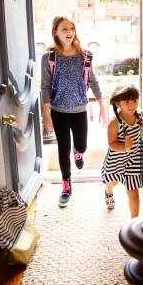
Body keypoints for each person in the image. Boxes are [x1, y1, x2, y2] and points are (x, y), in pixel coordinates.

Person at [41, 16, 108, 208]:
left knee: (81, 145)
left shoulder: (84, 56)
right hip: (58, 111)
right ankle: (66, 184)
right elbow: (45, 87)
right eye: (64, 29)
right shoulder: (49, 58)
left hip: (79, 109)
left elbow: (93, 81)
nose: (69, 32)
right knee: (63, 149)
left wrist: (102, 106)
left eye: (71, 28)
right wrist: (46, 115)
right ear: (56, 32)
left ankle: (78, 153)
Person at [101, 84, 143, 218]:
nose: (132, 104)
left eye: (134, 100)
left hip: (133, 159)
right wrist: (124, 148)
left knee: (133, 192)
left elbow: (139, 126)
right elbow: (111, 143)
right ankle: (108, 192)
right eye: (127, 101)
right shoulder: (114, 123)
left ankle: (135, 222)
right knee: (113, 182)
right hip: (117, 160)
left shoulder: (138, 115)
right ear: (117, 103)